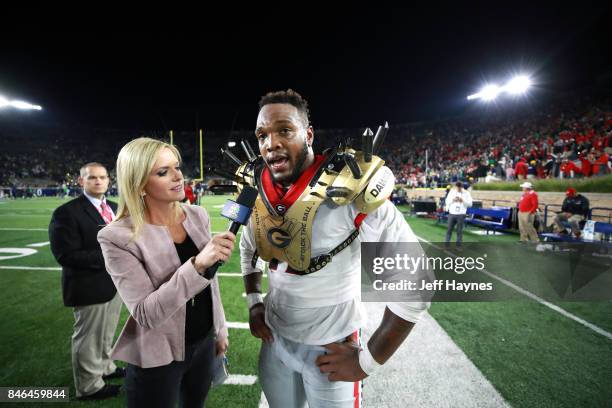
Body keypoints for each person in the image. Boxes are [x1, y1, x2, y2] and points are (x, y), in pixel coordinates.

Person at [240, 90, 429, 407]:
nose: (270, 143)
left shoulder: (352, 189)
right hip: (275, 343)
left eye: (284, 130)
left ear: (308, 134)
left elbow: (416, 282)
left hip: (332, 348)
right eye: (262, 135)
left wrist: (367, 362)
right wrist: (254, 301)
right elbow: (249, 249)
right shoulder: (260, 190)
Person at [97, 138, 232, 408]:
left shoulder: (197, 215)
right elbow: (147, 314)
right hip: (158, 354)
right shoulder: (116, 236)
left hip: (203, 342)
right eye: (163, 172)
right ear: (138, 184)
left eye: (177, 167)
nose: (178, 176)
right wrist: (197, 265)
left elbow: (210, 284)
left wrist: (220, 328)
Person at [48, 162, 123, 400]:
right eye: (92, 178)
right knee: (88, 336)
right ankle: (89, 386)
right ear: (81, 181)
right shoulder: (66, 212)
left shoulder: (113, 207)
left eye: (102, 177)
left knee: (106, 332)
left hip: (114, 283)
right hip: (88, 284)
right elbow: (65, 255)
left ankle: (104, 368)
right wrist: (110, 256)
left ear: (109, 181)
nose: (98, 181)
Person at [444, 181, 473, 248]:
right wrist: (453, 200)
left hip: (461, 214)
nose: (458, 189)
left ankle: (458, 246)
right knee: (449, 229)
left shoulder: (466, 193)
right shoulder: (452, 192)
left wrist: (463, 201)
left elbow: (470, 204)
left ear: (461, 187)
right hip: (452, 213)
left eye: (459, 188)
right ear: (455, 187)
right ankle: (446, 245)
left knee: (459, 231)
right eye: (457, 187)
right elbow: (447, 201)